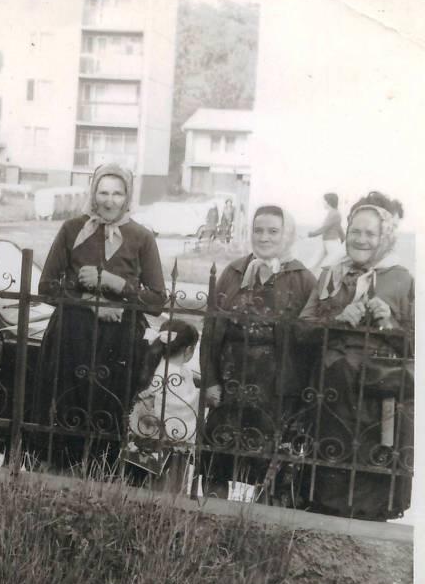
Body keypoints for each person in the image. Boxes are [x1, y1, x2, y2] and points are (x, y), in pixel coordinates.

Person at [32, 163, 166, 472]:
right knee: (67, 413)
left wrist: (117, 284)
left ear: (127, 196)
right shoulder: (72, 229)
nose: (109, 201)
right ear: (93, 193)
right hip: (73, 335)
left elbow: (157, 301)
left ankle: (102, 481)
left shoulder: (141, 237)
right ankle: (58, 478)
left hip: (119, 341)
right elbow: (46, 287)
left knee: (110, 416)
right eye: (103, 192)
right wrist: (91, 302)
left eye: (117, 194)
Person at [297, 192, 413, 521]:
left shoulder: (401, 278)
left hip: (379, 396)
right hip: (332, 390)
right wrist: (337, 320)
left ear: (385, 237)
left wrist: (388, 323)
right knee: (328, 476)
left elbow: (415, 345)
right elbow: (301, 331)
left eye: (370, 233)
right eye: (355, 231)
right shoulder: (330, 275)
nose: (361, 239)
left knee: (370, 478)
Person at [199, 204, 318, 503]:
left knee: (270, 469)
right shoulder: (234, 271)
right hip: (231, 383)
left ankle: (258, 522)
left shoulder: (302, 278)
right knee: (218, 460)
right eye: (258, 230)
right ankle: (212, 515)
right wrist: (211, 380)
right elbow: (211, 331)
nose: (264, 237)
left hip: (276, 390)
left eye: (273, 231)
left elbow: (311, 339)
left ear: (287, 234)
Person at [122, 319, 201, 494]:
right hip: (171, 447)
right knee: (165, 491)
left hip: (145, 439)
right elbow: (185, 406)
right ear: (189, 350)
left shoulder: (154, 367)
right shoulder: (180, 374)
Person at [306, 192, 346, 271]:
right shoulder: (333, 213)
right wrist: (344, 240)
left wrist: (311, 234)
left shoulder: (334, 214)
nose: (323, 203)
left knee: (327, 264)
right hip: (326, 242)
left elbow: (325, 228)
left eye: (324, 201)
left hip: (331, 243)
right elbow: (339, 228)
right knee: (314, 263)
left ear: (328, 202)